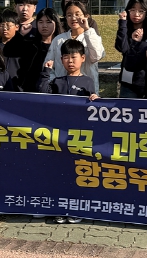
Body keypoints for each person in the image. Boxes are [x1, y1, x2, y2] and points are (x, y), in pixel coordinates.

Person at [37, 38, 98, 225]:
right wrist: (46, 72)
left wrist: (95, 99)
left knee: (77, 172)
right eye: (65, 57)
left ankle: (76, 209)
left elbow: (93, 106)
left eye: (74, 57)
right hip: (58, 135)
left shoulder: (88, 81)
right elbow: (42, 92)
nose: (70, 61)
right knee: (58, 172)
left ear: (82, 58)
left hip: (79, 136)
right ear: (61, 60)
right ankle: (59, 208)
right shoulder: (57, 82)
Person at [44, 0, 105, 93]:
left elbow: (97, 56)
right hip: (61, 92)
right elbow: (49, 65)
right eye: (69, 15)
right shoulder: (58, 40)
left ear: (86, 16)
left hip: (86, 91)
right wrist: (55, 84)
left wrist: (87, 29)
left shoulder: (92, 36)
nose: (73, 18)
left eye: (77, 14)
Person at [115, 0, 147, 98]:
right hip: (128, 83)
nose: (136, 14)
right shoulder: (125, 29)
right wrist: (123, 23)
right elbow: (122, 48)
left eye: (141, 11)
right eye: (132, 10)